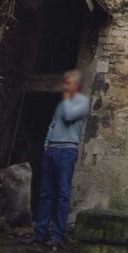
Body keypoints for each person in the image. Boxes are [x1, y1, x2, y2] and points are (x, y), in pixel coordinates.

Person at [28, 70, 89, 250]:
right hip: (52, 150)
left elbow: (68, 117)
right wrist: (47, 144)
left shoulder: (82, 103)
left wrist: (66, 100)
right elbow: (53, 124)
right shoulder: (63, 103)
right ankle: (40, 234)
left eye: (68, 83)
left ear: (76, 86)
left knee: (62, 195)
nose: (65, 86)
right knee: (46, 193)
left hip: (67, 151)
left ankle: (57, 236)